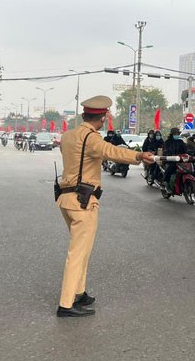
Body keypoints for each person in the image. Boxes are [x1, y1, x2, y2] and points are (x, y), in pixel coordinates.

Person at [56, 95, 154, 317]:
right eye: (104, 118)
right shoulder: (91, 138)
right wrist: (138, 155)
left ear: (83, 115)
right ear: (102, 118)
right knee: (78, 253)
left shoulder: (68, 136)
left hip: (66, 199)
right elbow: (113, 151)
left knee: (82, 250)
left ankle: (79, 293)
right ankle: (66, 304)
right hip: (83, 201)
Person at [162, 127, 187, 192]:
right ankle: (165, 182)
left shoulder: (180, 142)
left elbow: (185, 149)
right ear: (172, 134)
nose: (176, 135)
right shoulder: (167, 142)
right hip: (170, 160)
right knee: (172, 167)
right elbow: (165, 150)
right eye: (175, 134)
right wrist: (169, 153)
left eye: (177, 133)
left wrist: (191, 152)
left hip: (180, 160)